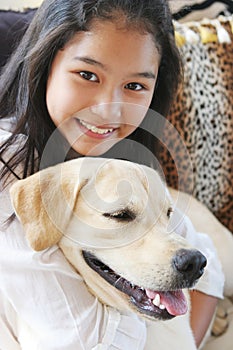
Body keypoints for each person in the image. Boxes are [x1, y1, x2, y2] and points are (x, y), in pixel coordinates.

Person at [0, 0, 226, 349]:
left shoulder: (128, 166)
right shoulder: (8, 172)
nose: (109, 109)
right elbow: (80, 338)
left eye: (135, 86)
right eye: (88, 75)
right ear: (44, 64)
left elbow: (205, 267)